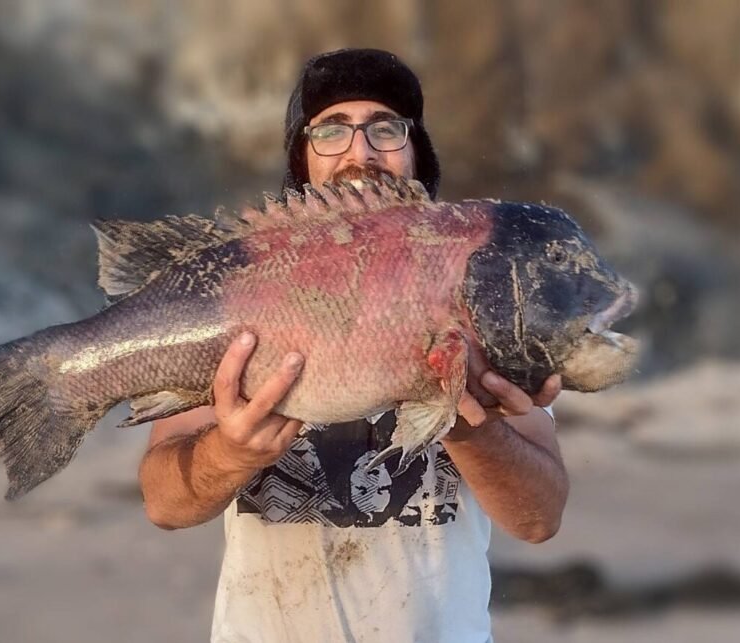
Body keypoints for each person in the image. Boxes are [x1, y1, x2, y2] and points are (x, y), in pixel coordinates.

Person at [138, 48, 567, 642]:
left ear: (417, 152)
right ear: (302, 159)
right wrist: (230, 453)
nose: (360, 153)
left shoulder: (474, 283)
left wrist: (467, 421)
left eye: (385, 128)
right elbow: (165, 503)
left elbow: (539, 517)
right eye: (331, 131)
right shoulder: (244, 288)